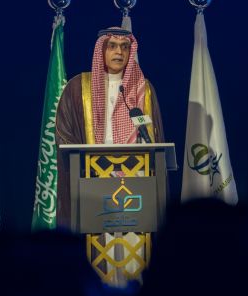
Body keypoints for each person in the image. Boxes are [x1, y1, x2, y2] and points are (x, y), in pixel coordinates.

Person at [55, 27, 165, 228]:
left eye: (125, 47)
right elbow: (64, 133)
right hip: (92, 176)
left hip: (136, 177)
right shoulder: (78, 87)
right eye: (112, 46)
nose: (119, 52)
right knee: (97, 237)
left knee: (134, 235)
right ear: (101, 50)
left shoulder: (143, 88)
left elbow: (155, 134)